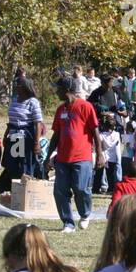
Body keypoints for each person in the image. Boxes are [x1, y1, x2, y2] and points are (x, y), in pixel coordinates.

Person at [50, 77, 102, 233]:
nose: (56, 91)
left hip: (82, 157)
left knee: (81, 188)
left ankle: (85, 214)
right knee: (60, 191)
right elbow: (56, 135)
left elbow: (95, 132)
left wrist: (99, 154)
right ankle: (68, 223)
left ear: (66, 90)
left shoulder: (85, 106)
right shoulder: (60, 110)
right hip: (62, 158)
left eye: (58, 88)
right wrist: (48, 157)